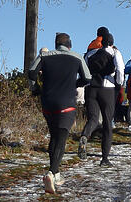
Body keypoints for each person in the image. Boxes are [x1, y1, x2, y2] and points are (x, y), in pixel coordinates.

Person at [28, 33, 91, 194]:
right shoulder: (77, 57)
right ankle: (51, 172)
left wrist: (36, 89)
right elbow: (87, 78)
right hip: (66, 103)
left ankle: (56, 174)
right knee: (61, 139)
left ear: (56, 44)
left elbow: (31, 72)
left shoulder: (45, 56)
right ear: (70, 44)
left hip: (48, 103)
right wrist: (74, 84)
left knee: (54, 136)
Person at [78, 32, 124, 167]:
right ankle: (104, 158)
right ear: (112, 42)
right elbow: (120, 69)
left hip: (91, 88)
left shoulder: (90, 54)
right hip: (107, 88)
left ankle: (85, 135)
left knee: (93, 118)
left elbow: (83, 72)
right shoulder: (115, 52)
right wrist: (118, 83)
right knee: (107, 123)